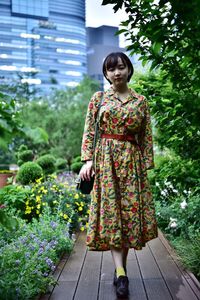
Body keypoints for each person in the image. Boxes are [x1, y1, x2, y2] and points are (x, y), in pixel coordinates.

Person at [79, 52, 158, 298]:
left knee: (128, 216)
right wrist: (88, 160)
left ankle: (120, 269)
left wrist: (146, 165)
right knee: (113, 215)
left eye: (121, 67)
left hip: (131, 164)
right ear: (106, 73)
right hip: (106, 162)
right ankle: (121, 272)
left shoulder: (140, 100)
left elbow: (146, 136)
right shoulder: (99, 98)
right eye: (111, 69)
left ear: (128, 69)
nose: (117, 73)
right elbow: (90, 130)